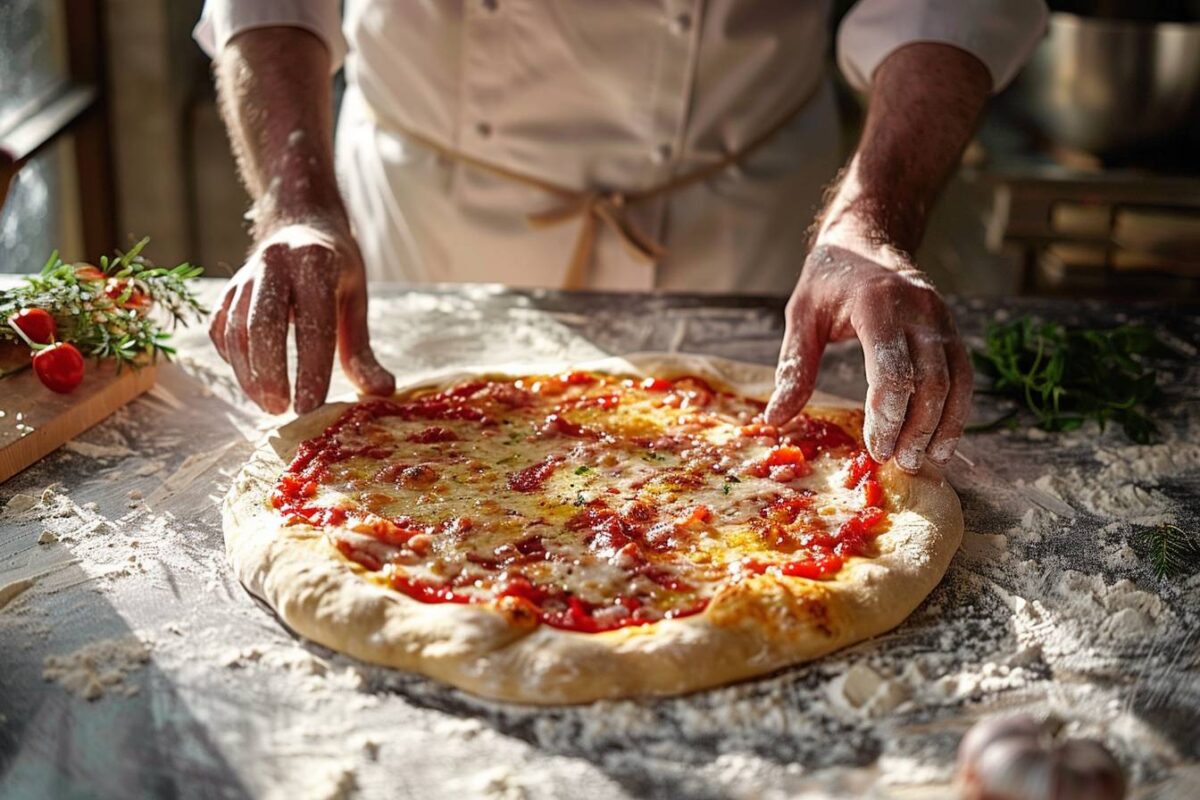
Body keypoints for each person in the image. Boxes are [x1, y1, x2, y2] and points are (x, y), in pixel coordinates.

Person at [195, 0, 1046, 472]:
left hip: (739, 217)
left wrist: (871, 218)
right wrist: (295, 203)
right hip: (432, 220)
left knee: (777, 460)